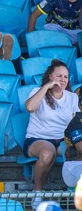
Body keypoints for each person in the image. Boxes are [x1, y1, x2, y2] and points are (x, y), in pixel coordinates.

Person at [24, 60, 78, 193]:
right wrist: (46, 87)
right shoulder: (37, 91)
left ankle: (74, 191)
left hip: (63, 140)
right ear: (50, 76)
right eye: (59, 76)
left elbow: (76, 121)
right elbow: (30, 107)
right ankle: (37, 191)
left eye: (66, 77)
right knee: (48, 153)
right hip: (37, 139)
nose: (63, 80)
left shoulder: (72, 97)